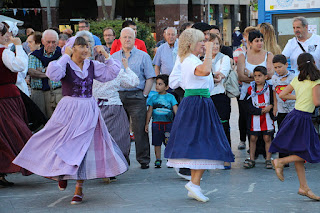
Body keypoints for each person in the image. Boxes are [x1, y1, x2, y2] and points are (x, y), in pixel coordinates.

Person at [13, 36, 128, 204]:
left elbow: (112, 73)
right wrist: (65, 56)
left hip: (88, 109)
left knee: (84, 147)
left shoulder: (92, 65)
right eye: (81, 47)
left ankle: (79, 188)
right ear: (72, 48)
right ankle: (61, 172)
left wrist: (106, 54)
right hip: (68, 109)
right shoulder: (64, 64)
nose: (85, 50)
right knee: (61, 141)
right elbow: (52, 74)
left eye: (87, 47)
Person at [164, 28, 234, 202]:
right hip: (196, 103)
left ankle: (194, 184)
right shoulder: (188, 60)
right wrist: (210, 52)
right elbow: (202, 71)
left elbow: (204, 76)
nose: (204, 43)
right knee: (201, 142)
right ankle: (194, 184)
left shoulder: (192, 59)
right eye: (201, 41)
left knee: (203, 142)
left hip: (201, 102)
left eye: (205, 41)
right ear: (191, 44)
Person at [270, 53, 320, 201]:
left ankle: (304, 187)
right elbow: (317, 102)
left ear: (298, 66)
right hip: (303, 119)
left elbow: (283, 94)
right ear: (314, 63)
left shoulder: (297, 79)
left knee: (300, 151)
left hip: (294, 116)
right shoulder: (316, 80)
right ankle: (280, 161)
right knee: (312, 151)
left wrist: (300, 97)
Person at [112, 27, 155, 169]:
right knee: (120, 130)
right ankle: (122, 160)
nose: (127, 40)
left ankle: (144, 160)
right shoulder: (113, 58)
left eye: (130, 37)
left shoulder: (143, 56)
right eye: (124, 37)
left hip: (137, 96)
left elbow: (150, 77)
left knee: (139, 129)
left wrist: (144, 95)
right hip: (119, 96)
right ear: (119, 39)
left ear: (135, 39)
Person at [92, 48, 139, 165]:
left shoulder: (89, 71)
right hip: (113, 107)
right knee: (118, 137)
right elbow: (134, 82)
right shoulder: (116, 71)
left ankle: (100, 165)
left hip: (95, 108)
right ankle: (116, 164)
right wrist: (127, 67)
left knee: (97, 138)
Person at [0, 23, 32, 186]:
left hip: (7, 97)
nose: (9, 36)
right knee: (17, 132)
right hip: (6, 99)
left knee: (5, 135)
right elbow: (20, 66)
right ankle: (37, 162)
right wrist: (19, 47)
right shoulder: (4, 52)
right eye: (6, 34)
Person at [237, 30, 274, 154]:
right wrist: (259, 77)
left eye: (261, 40)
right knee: (249, 121)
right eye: (256, 41)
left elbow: (270, 74)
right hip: (248, 95)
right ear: (250, 42)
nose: (260, 43)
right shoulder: (243, 55)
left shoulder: (268, 55)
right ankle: (252, 150)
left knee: (267, 120)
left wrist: (250, 74)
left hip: (265, 95)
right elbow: (241, 76)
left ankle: (267, 150)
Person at [243, 66, 275, 169]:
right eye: (255, 76)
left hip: (267, 118)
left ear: (266, 77)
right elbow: (247, 104)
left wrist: (270, 106)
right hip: (255, 118)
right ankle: (252, 159)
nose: (257, 78)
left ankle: (268, 159)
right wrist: (259, 111)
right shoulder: (251, 89)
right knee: (253, 138)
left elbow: (274, 101)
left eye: (259, 76)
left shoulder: (270, 88)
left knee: (267, 137)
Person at [209, 33, 232, 169]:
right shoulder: (201, 59)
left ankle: (226, 157)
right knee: (208, 128)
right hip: (206, 96)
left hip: (220, 96)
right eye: (212, 44)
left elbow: (220, 76)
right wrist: (212, 76)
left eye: (217, 43)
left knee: (223, 127)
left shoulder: (225, 59)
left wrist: (209, 76)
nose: (215, 46)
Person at [28, 29, 62, 118]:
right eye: (48, 42)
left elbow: (61, 71)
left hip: (56, 93)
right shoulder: (34, 55)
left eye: (54, 42)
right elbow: (31, 72)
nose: (51, 45)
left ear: (57, 42)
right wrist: (50, 73)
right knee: (40, 121)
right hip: (38, 93)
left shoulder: (61, 55)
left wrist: (41, 70)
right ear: (42, 41)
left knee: (56, 121)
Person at [145, 74, 178, 168]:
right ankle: (158, 159)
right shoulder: (153, 98)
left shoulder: (171, 97)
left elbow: (176, 109)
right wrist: (147, 123)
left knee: (169, 142)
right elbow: (149, 111)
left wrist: (179, 121)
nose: (157, 86)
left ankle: (170, 158)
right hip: (156, 124)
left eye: (160, 84)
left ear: (167, 86)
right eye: (156, 84)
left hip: (168, 124)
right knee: (156, 143)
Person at [271, 54, 295, 166]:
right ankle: (283, 159)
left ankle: (296, 159)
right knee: (281, 133)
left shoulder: (294, 77)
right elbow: (275, 92)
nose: (278, 70)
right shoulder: (274, 78)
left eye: (280, 67)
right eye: (275, 67)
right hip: (281, 111)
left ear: (286, 65)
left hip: (293, 110)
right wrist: (275, 107)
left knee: (294, 134)